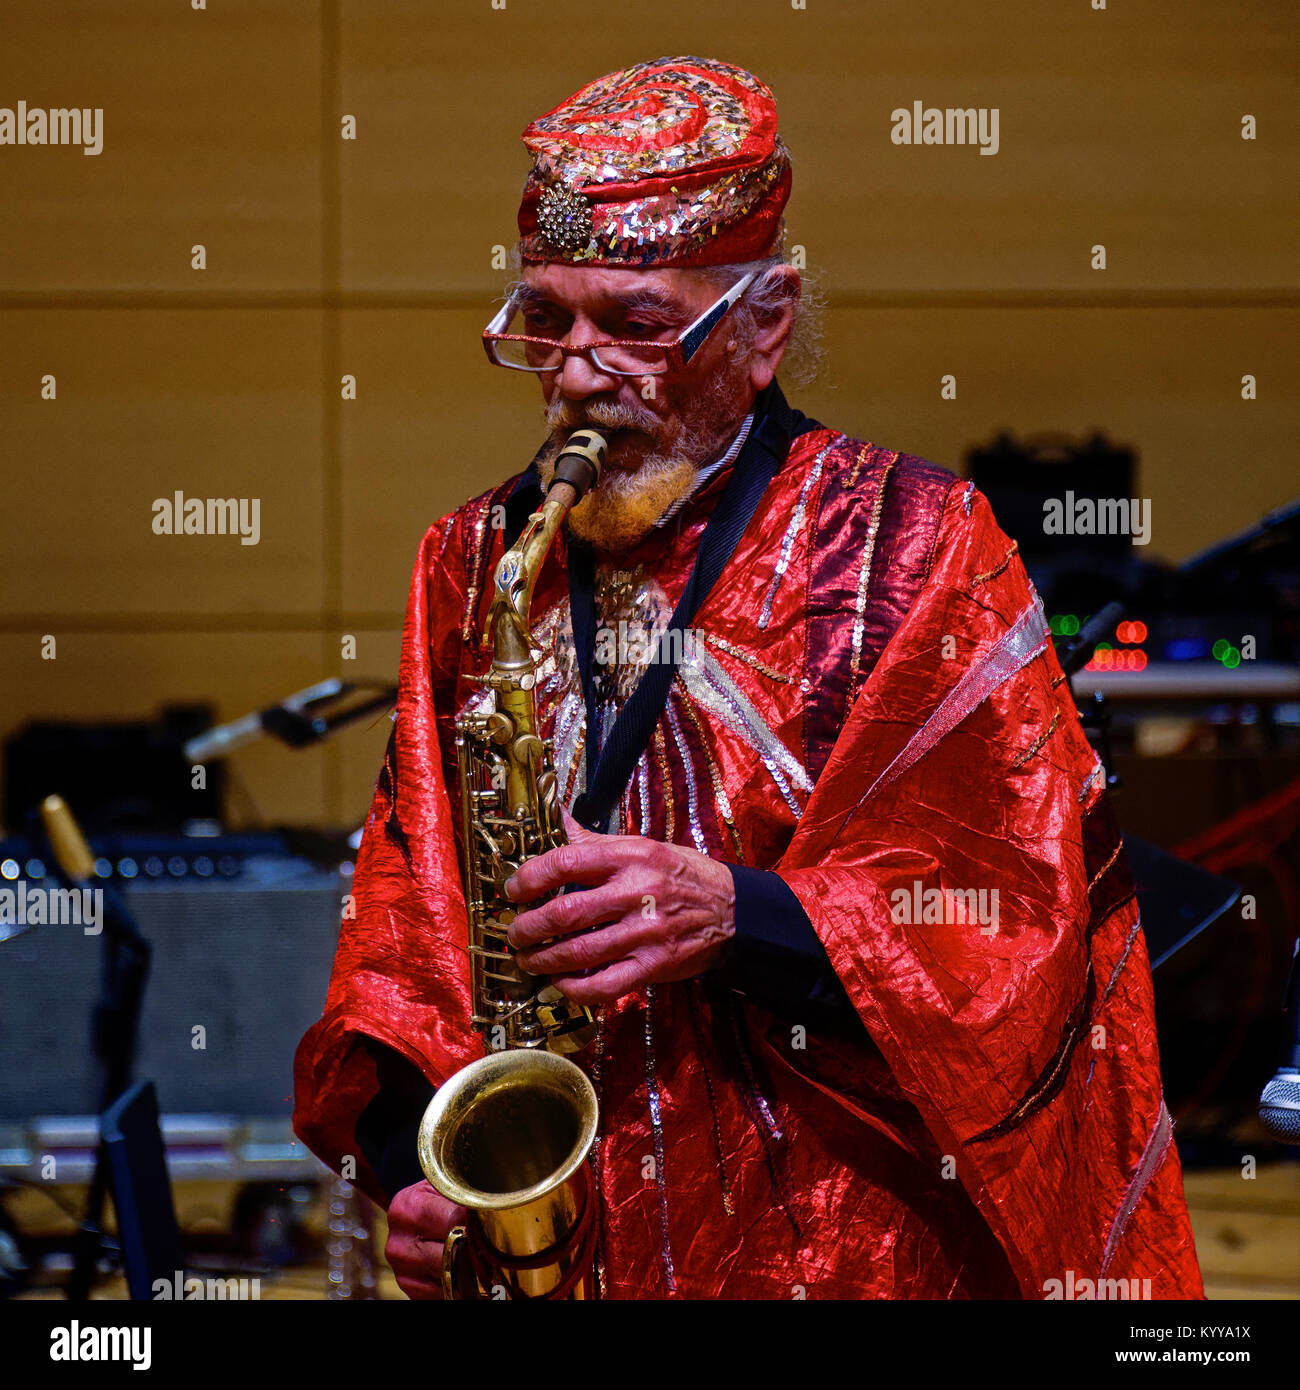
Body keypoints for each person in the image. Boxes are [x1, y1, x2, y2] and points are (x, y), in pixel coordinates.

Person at [293, 54, 1204, 1299]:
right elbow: (408, 925)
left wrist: (737, 914)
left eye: (633, 325)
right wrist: (419, 1167)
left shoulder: (922, 543)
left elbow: (1020, 932)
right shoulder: (470, 557)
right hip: (566, 1228)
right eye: (544, 319)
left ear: (764, 323)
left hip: (852, 1245)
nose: (571, 371)